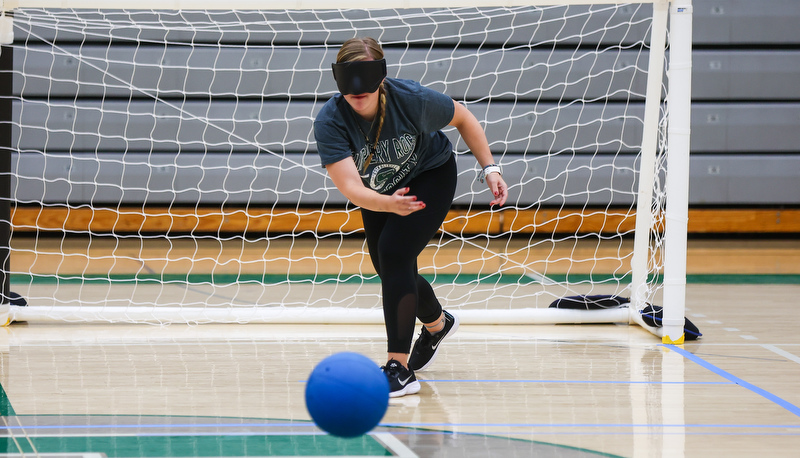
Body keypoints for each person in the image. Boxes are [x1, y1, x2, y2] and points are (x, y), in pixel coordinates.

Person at [313, 37, 508, 397]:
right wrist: (388, 204)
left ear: (381, 78)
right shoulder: (330, 121)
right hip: (379, 192)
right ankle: (437, 324)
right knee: (388, 266)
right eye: (348, 84)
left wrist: (490, 169)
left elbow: (463, 117)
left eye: (366, 82)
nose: (358, 93)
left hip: (429, 174)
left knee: (395, 253)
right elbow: (353, 189)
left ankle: (398, 369)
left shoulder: (411, 100)